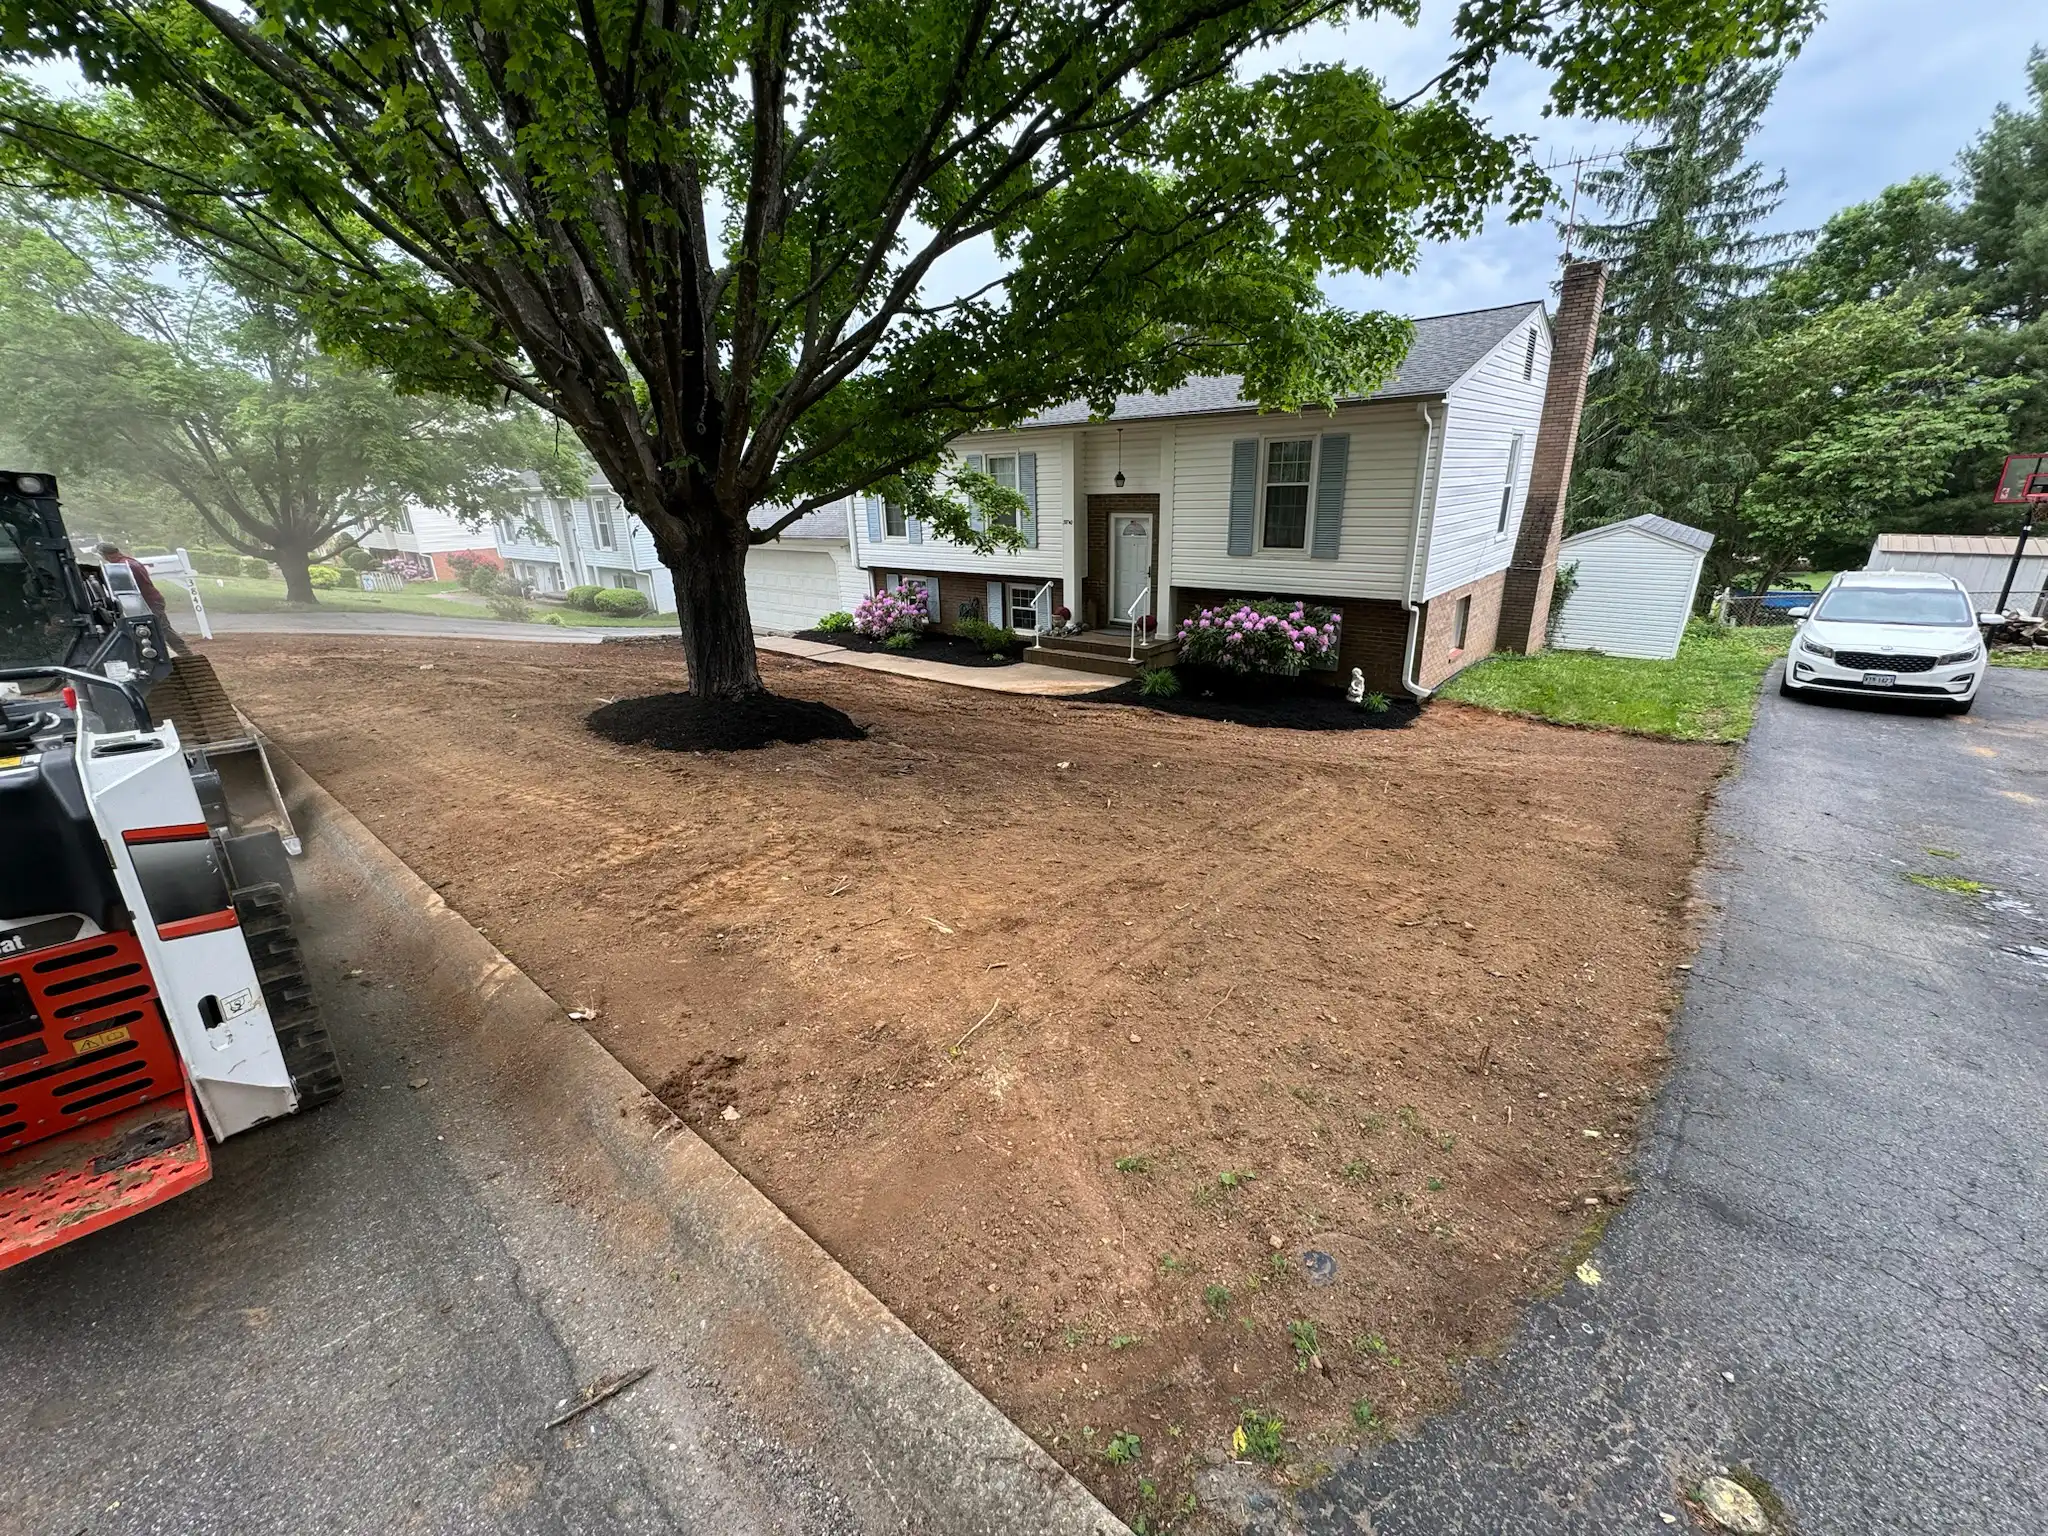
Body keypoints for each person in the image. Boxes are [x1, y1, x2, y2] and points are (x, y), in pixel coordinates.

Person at [96, 541, 192, 655]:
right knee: (158, 629)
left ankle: (185, 654)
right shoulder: (129, 562)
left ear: (106, 555)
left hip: (149, 602)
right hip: (151, 600)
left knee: (162, 629)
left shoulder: (122, 567)